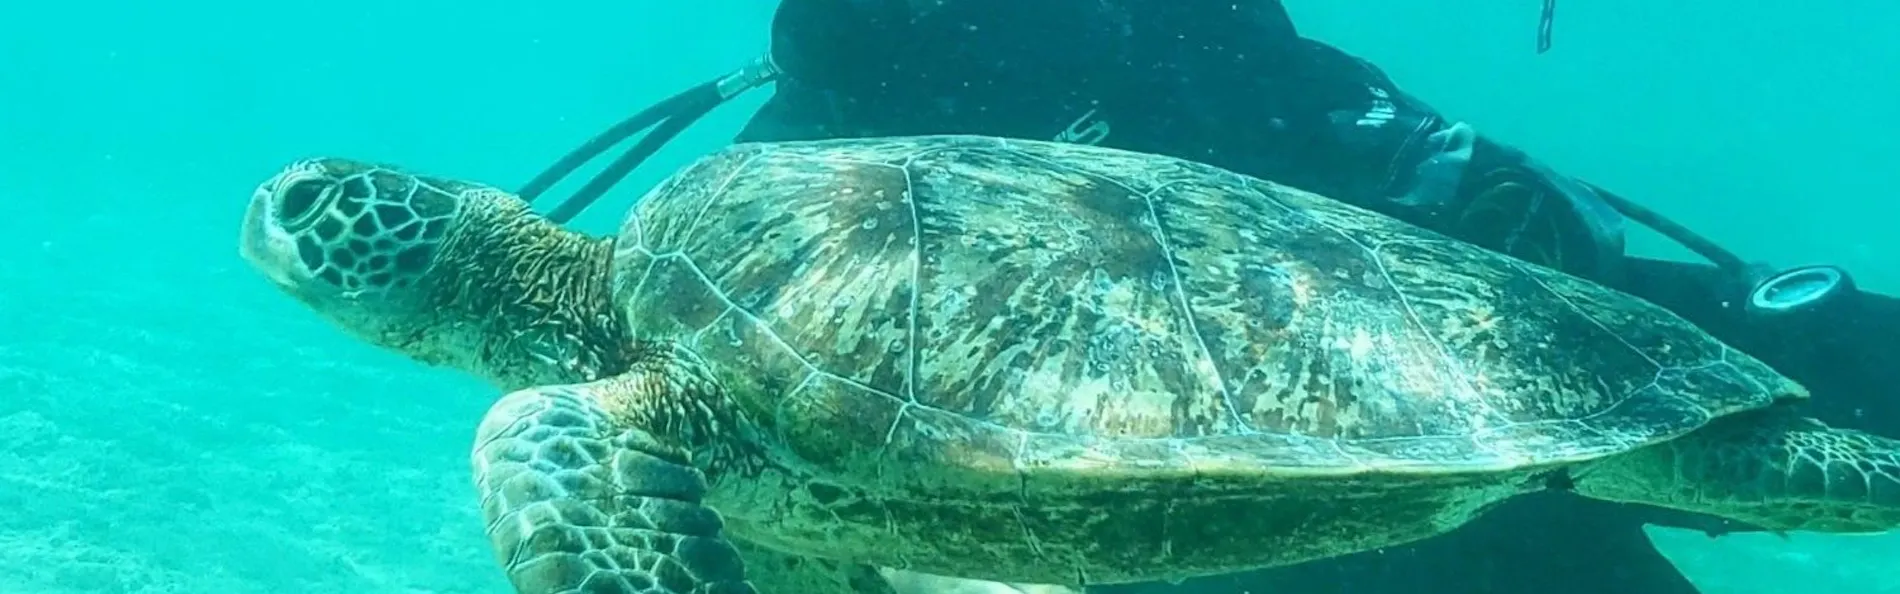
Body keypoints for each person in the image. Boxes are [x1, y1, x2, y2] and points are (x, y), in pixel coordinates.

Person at [520, 1, 1900, 593]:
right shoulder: (813, 139)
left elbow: (1379, 134)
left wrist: (1501, 201)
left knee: (1814, 375)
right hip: (1291, 491)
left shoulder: (1154, 21)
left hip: (1473, 326)